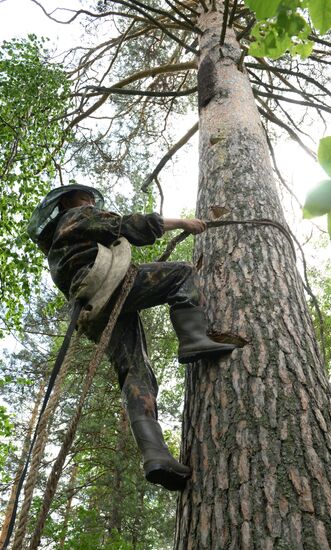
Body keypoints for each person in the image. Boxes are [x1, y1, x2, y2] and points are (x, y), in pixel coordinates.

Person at [27, 184, 236, 491]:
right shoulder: (77, 216)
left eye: (88, 199)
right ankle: (193, 338)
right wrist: (183, 223)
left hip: (91, 310)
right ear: (68, 203)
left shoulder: (57, 244)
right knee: (181, 274)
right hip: (104, 283)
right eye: (82, 198)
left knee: (136, 372)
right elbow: (130, 226)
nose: (88, 202)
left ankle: (155, 455)